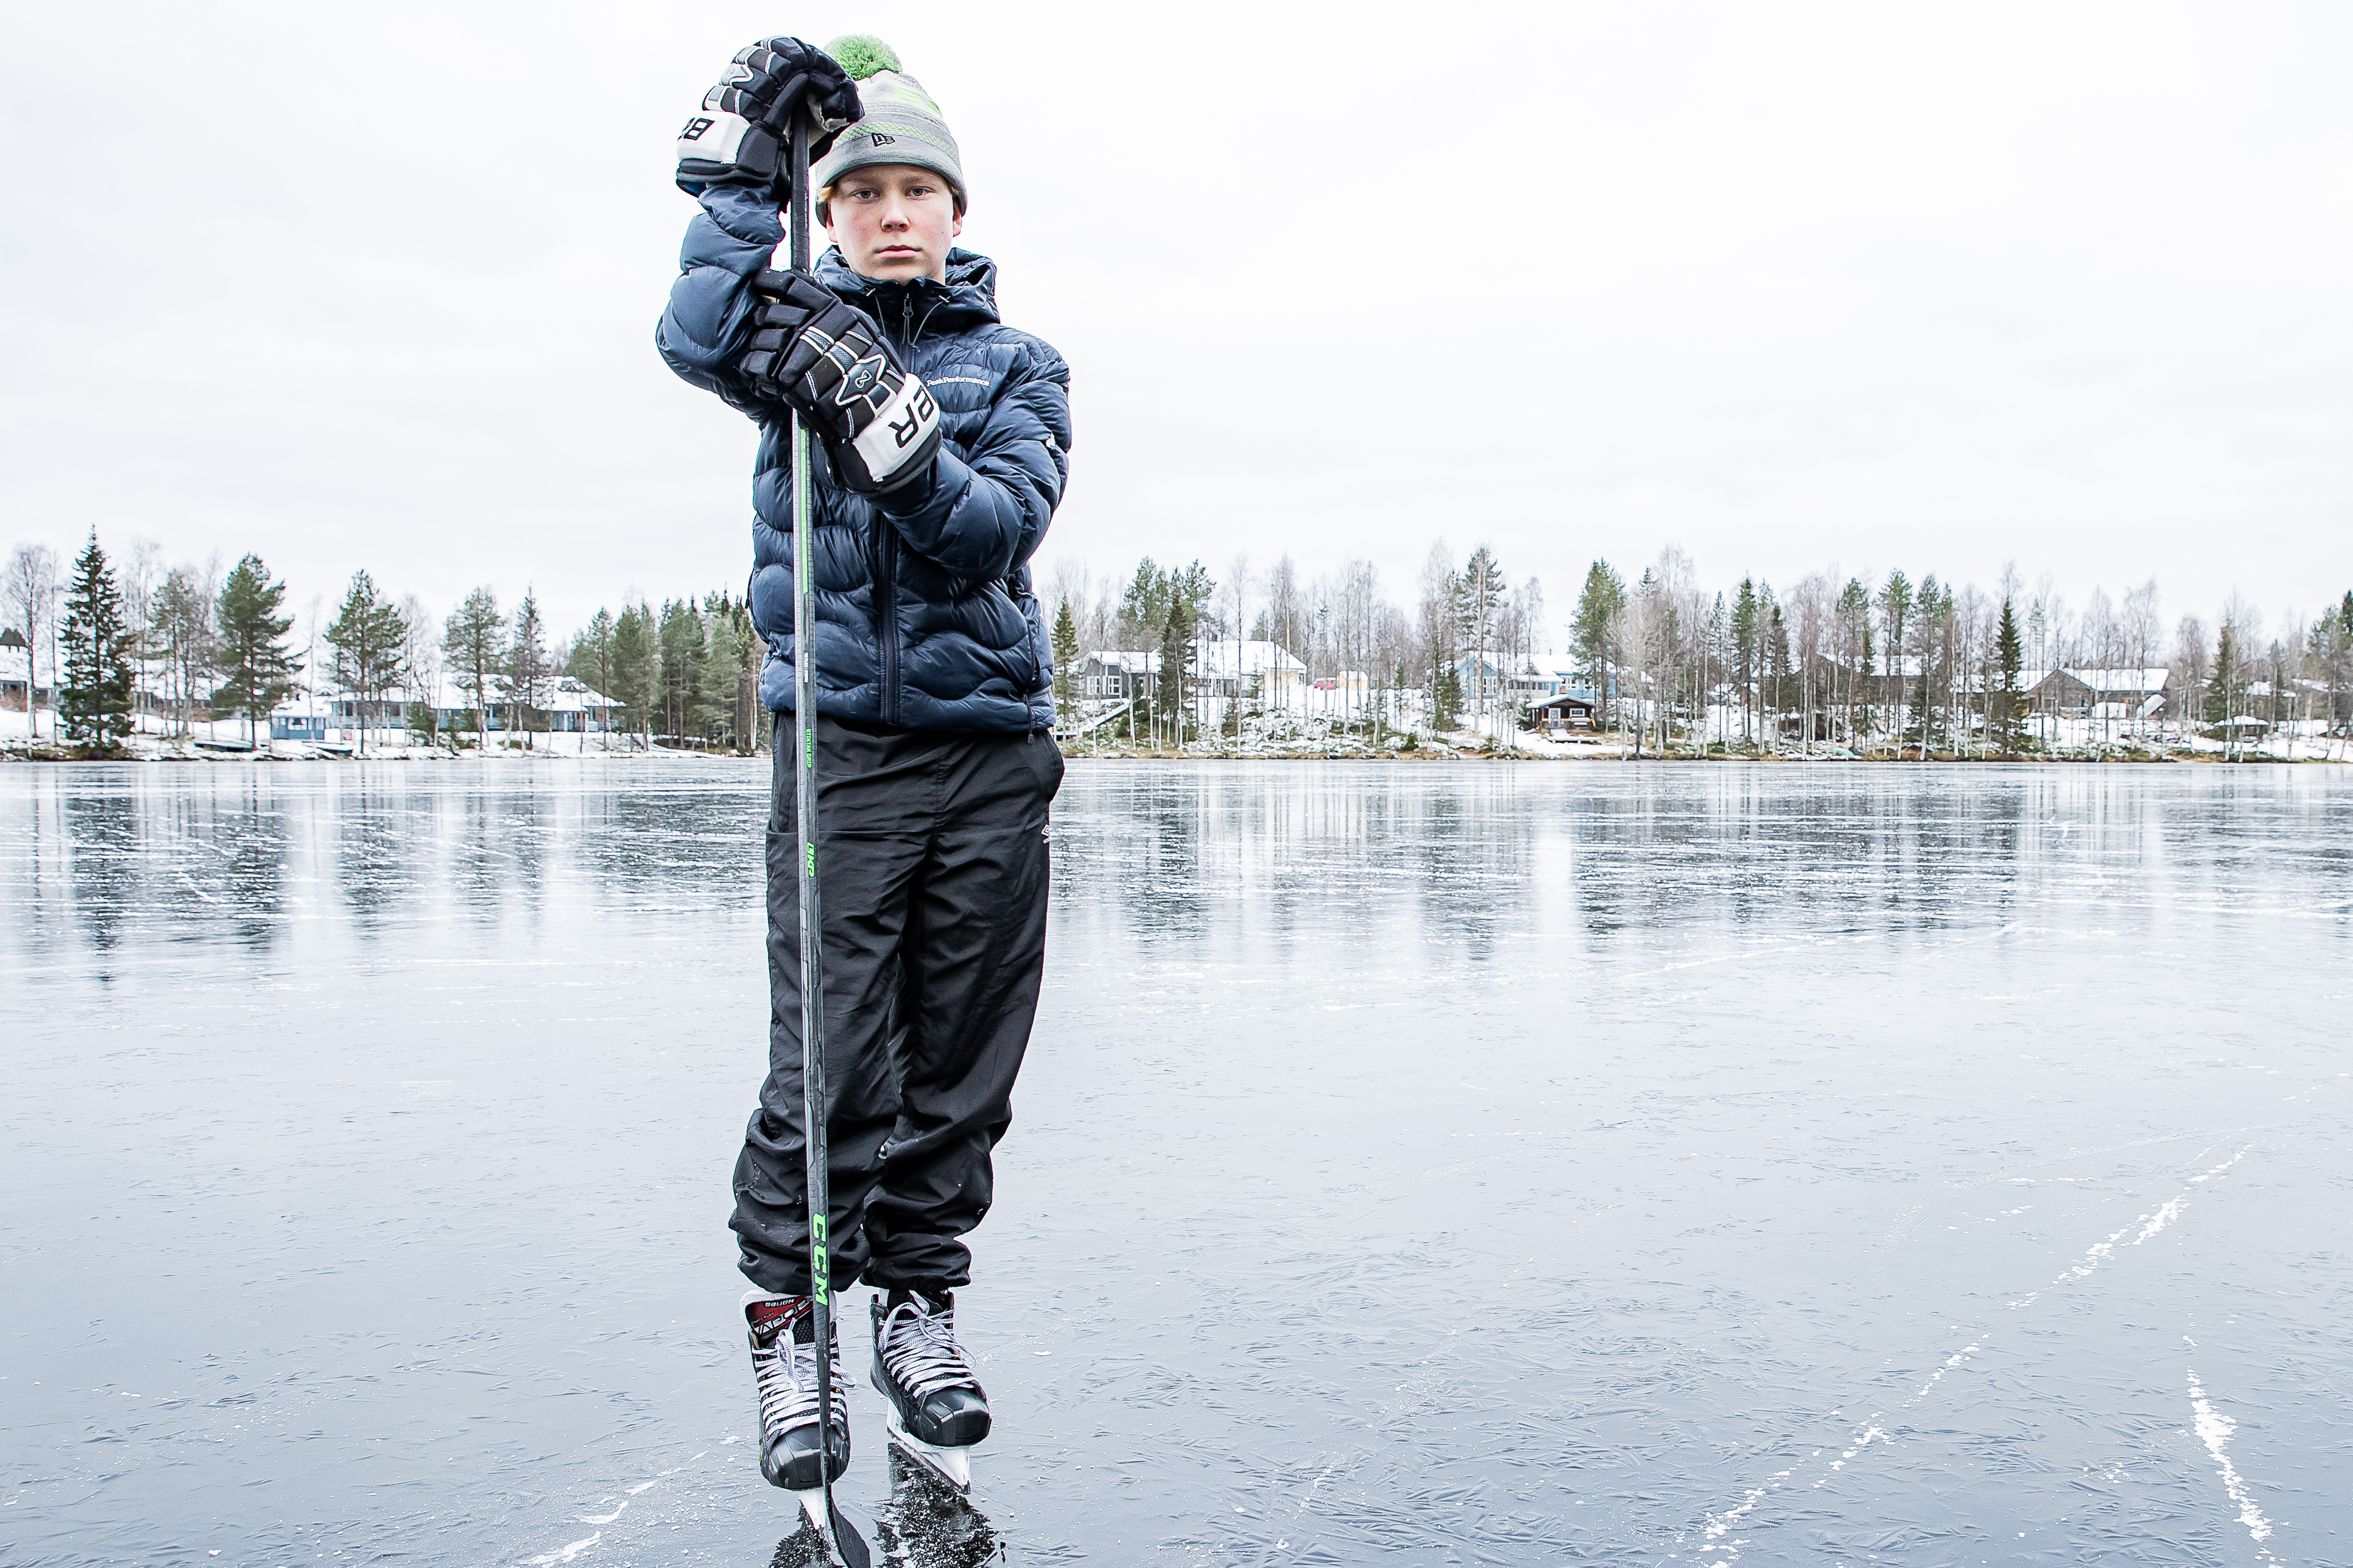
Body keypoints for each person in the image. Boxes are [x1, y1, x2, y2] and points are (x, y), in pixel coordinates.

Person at [657, 35, 1071, 1493]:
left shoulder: (1020, 365)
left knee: (962, 1055)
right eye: (862, 191)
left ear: (957, 211)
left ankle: (915, 1307)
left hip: (991, 752)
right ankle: (789, 1321)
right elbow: (694, 329)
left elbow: (988, 537)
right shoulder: (783, 337)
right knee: (829, 1052)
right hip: (838, 747)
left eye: (919, 189)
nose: (893, 213)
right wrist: (735, 176)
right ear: (828, 213)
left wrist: (888, 424)